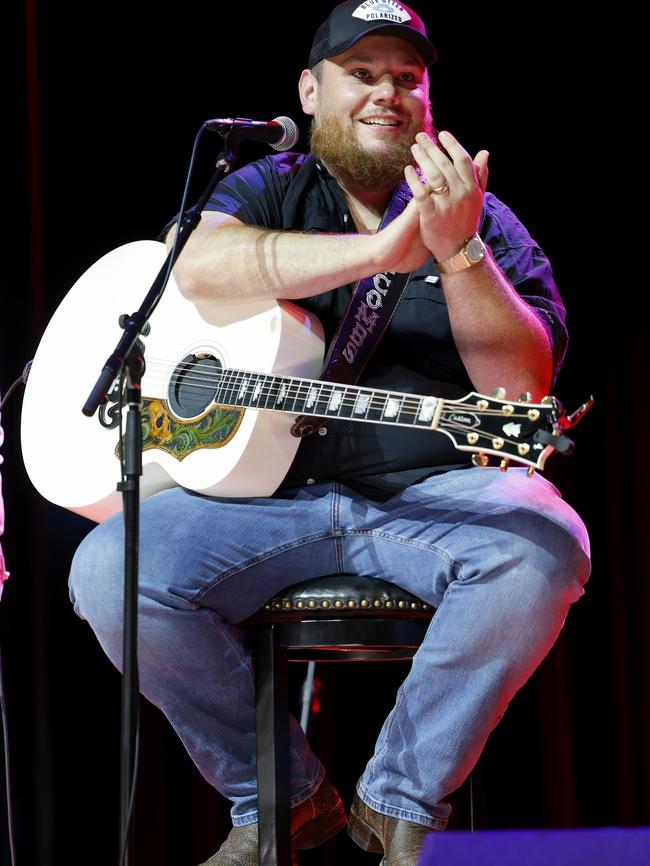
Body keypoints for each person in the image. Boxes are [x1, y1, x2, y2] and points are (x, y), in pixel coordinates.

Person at [68, 2, 591, 864]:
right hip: (263, 501)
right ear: (311, 91)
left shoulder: (483, 221)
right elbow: (194, 262)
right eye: (362, 73)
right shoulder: (267, 186)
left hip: (434, 495)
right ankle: (281, 799)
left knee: (544, 543)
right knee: (110, 573)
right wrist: (379, 255)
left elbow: (520, 386)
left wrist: (460, 255)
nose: (387, 93)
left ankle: (396, 803)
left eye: (406, 79)